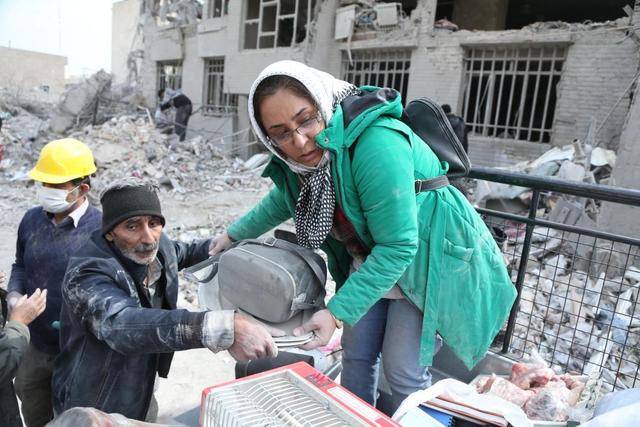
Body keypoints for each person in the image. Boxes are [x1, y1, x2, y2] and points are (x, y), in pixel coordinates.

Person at [209, 60, 516, 414]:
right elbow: (282, 200)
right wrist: (232, 236)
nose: (299, 141)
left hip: (424, 260)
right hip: (372, 259)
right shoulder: (307, 164)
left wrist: (335, 312)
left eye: (306, 120)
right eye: (280, 133)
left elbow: (399, 246)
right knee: (356, 357)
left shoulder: (376, 143)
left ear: (323, 104)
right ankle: (354, 419)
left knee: (404, 372)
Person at [52, 177, 279, 421]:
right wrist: (220, 327)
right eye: (132, 226)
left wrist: (229, 245)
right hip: (94, 398)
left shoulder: (160, 248)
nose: (148, 238)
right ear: (110, 234)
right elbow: (121, 324)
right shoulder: (86, 273)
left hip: (141, 384)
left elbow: (186, 253)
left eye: (153, 223)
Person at [6, 138, 101, 427]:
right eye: (44, 183)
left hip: (79, 351)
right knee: (34, 408)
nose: (47, 190)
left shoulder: (101, 229)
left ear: (82, 189)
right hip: (34, 345)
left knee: (74, 418)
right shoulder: (31, 220)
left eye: (56, 185)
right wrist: (13, 294)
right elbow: (20, 265)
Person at [1, 269, 47, 427]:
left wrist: (11, 292)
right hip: (30, 346)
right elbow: (3, 363)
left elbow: (19, 266)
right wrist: (18, 322)